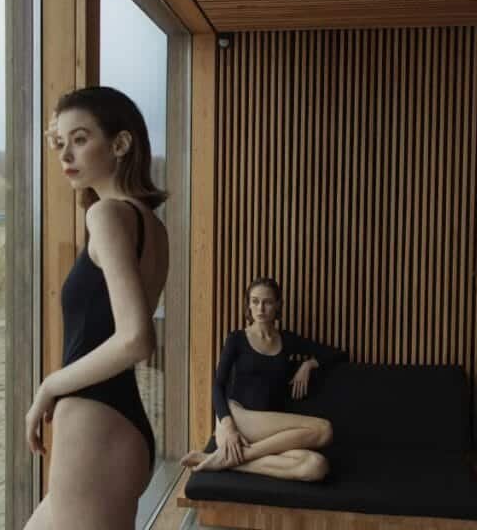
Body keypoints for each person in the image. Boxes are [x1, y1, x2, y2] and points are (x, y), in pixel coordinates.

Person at [23, 86, 169, 530]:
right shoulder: (150, 225)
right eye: (60, 142)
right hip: (118, 421)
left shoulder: (106, 217)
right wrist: (69, 129)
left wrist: (50, 386)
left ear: (121, 144)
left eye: (81, 139)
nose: (66, 153)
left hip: (94, 425)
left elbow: (136, 338)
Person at [182, 277, 343, 481]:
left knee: (317, 467)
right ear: (248, 304)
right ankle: (232, 456)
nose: (261, 308)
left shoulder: (288, 341)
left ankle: (230, 460)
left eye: (267, 302)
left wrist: (309, 364)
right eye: (255, 301)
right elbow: (217, 385)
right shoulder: (237, 339)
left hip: (267, 434)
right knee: (324, 429)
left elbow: (336, 354)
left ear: (278, 305)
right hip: (237, 420)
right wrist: (229, 427)